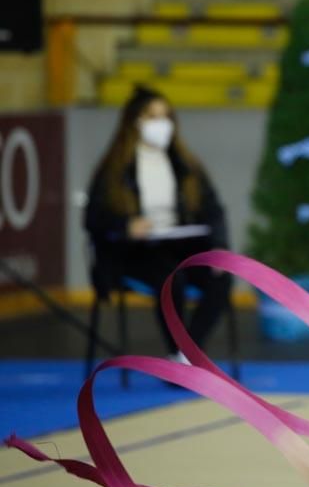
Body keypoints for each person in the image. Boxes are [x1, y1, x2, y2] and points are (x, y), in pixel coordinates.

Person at [84, 84, 232, 363]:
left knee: (220, 277)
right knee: (171, 279)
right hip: (135, 252)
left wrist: (219, 247)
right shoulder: (114, 168)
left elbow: (213, 211)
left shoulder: (185, 164)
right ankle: (182, 353)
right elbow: (94, 218)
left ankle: (186, 352)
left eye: (166, 116)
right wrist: (126, 225)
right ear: (135, 122)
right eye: (152, 116)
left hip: (181, 244)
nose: (161, 124)